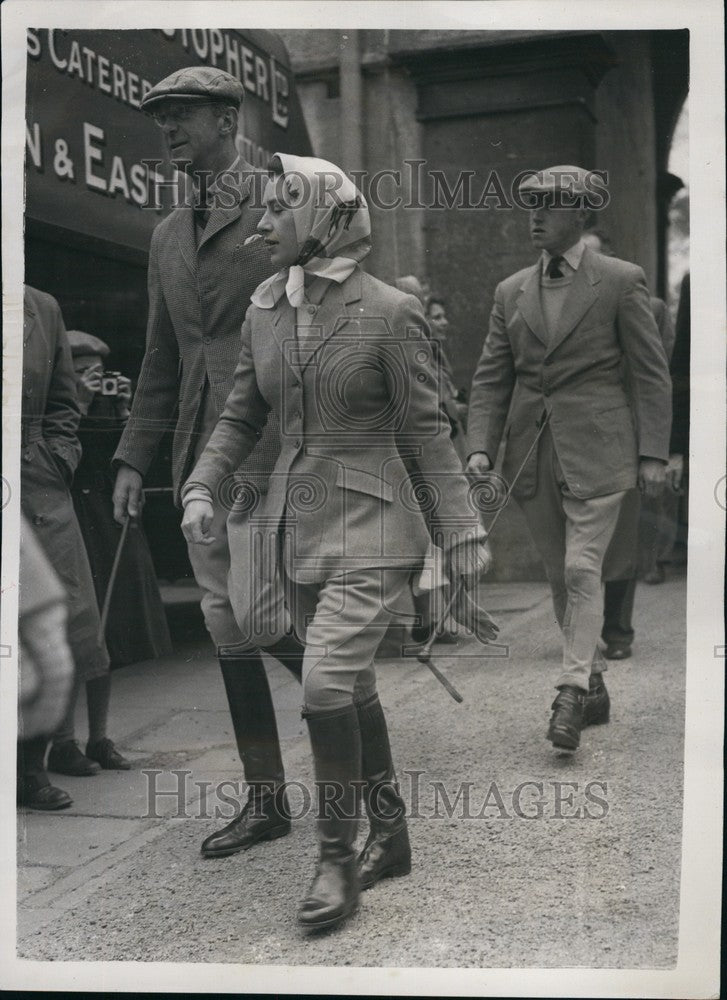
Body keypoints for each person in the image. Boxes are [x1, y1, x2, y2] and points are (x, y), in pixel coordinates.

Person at [181, 154, 490, 930]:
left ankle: (336, 860)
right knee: (339, 678)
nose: (261, 224)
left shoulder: (389, 311)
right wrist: (200, 485)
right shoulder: (264, 309)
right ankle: (391, 832)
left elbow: (425, 429)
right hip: (298, 526)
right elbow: (240, 415)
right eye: (262, 210)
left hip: (376, 528)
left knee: (321, 684)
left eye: (280, 208)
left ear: (326, 215)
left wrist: (459, 531)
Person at [112, 67, 306, 860]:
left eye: (182, 114)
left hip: (276, 441)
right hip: (200, 448)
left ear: (227, 120)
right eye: (160, 116)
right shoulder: (166, 233)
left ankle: (358, 741)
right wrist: (134, 457)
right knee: (227, 618)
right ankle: (266, 799)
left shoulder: (281, 202)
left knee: (263, 612)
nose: (167, 128)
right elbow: (162, 355)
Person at [467, 165, 672, 752]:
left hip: (602, 450)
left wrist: (653, 453)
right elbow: (492, 377)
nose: (535, 215)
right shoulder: (510, 291)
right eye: (531, 204)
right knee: (561, 575)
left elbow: (651, 374)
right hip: (532, 457)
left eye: (550, 204)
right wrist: (480, 446)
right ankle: (595, 684)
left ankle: (570, 691)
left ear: (581, 214)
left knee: (583, 569)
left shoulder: (620, 280)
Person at [19, 287, 119, 807]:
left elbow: (61, 404)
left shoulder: (41, 307)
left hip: (36, 482)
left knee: (58, 616)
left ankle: (31, 768)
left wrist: (57, 458)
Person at [581, 230, 677, 660]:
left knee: (622, 537)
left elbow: (657, 376)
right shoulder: (557, 309)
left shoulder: (649, 308)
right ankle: (581, 633)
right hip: (578, 435)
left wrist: (655, 448)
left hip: (627, 431)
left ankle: (618, 631)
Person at [68, 330, 173, 668]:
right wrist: (80, 404)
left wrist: (124, 410)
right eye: (82, 372)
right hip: (82, 507)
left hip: (110, 500)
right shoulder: (59, 407)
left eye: (99, 373)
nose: (94, 381)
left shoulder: (108, 403)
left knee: (128, 579)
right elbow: (64, 452)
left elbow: (130, 456)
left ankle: (131, 651)